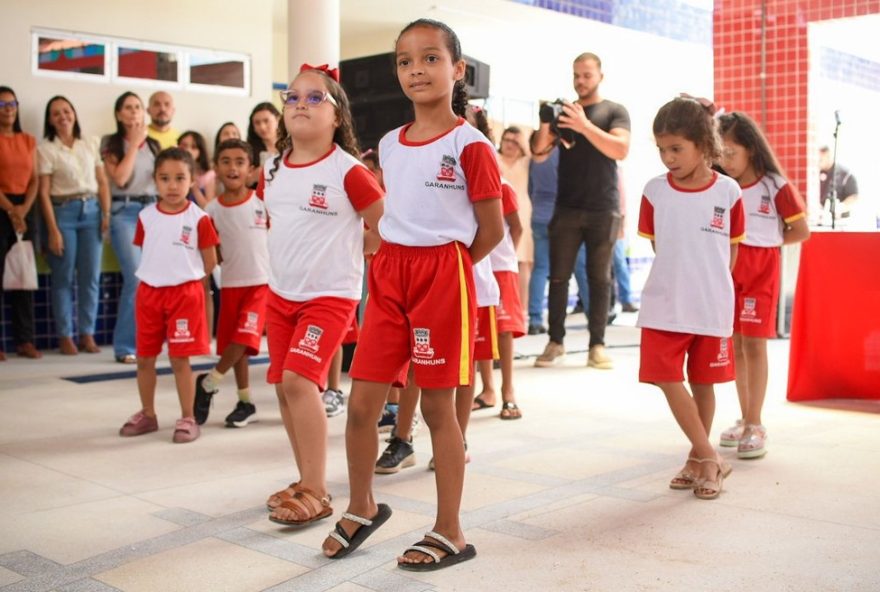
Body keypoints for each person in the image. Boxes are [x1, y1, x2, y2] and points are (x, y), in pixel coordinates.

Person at [320, 18, 503, 571]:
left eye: (429, 58)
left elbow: (492, 230)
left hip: (443, 272)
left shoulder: (471, 145)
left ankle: (449, 529)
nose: (416, 69)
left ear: (457, 69)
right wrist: (394, 261)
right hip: (390, 274)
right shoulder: (389, 145)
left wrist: (447, 273)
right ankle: (361, 506)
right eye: (404, 61)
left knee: (440, 409)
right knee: (361, 405)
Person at [258, 64, 384, 525]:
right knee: (281, 386)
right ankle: (303, 478)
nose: (300, 105)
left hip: (329, 295)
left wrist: (364, 248)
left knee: (298, 380)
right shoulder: (271, 169)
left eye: (315, 98)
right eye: (292, 97)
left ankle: (316, 489)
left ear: (337, 117)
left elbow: (384, 224)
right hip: (280, 293)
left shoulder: (347, 171)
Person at [637, 96, 745, 500]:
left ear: (703, 143)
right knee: (666, 378)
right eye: (662, 149)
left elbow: (730, 252)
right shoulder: (653, 192)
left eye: (676, 148)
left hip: (711, 306)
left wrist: (711, 287)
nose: (667, 157)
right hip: (665, 305)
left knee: (703, 383)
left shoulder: (730, 192)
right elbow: (659, 248)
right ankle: (710, 455)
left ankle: (697, 461)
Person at [716, 112, 810, 459]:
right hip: (729, 270)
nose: (724, 161)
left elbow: (801, 231)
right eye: (719, 154)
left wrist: (766, 241)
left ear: (751, 150)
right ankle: (744, 418)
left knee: (755, 346)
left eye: (730, 153)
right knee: (737, 345)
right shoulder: (722, 186)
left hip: (762, 272)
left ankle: (756, 423)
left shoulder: (775, 186)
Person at [532, 52, 631, 370]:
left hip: (604, 206)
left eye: (587, 75)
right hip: (567, 206)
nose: (580, 81)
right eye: (576, 75)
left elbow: (620, 149)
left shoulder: (614, 110)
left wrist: (584, 125)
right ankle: (555, 341)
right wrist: (547, 122)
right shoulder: (566, 114)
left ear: (600, 75)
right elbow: (538, 154)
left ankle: (597, 345)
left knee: (600, 278)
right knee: (558, 277)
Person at [118, 147, 219, 443]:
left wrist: (189, 280)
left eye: (179, 178)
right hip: (149, 293)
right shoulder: (146, 216)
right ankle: (147, 414)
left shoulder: (199, 218)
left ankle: (187, 417)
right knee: (145, 358)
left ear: (191, 181)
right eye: (165, 178)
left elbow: (210, 260)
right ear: (155, 181)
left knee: (179, 359)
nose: (172, 185)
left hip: (184, 295)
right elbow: (146, 251)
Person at [195, 139, 268, 428]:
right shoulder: (211, 210)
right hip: (231, 284)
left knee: (247, 336)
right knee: (235, 345)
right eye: (225, 161)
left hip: (261, 283)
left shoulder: (262, 204)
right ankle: (245, 401)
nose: (233, 167)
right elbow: (213, 251)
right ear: (216, 168)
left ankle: (210, 382)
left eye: (240, 162)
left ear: (250, 170)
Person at [37, 96, 111, 355]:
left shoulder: (89, 144)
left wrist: (106, 213)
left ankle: (87, 334)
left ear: (74, 114)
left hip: (91, 211)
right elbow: (43, 193)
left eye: (67, 111)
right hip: (63, 213)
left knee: (91, 277)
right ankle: (65, 336)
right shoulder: (46, 149)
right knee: (63, 277)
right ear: (50, 120)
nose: (63, 116)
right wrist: (53, 230)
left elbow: (102, 182)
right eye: (56, 113)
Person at [102, 91, 161, 364]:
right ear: (118, 114)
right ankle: (125, 346)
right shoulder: (110, 143)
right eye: (128, 107)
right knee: (135, 279)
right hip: (123, 212)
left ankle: (148, 343)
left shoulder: (155, 146)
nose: (134, 112)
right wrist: (135, 144)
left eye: (138, 107)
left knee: (153, 280)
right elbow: (121, 179)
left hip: (152, 211)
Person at [526, 134, 589, 335]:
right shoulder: (563, 154)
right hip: (562, 217)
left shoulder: (535, 157)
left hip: (539, 216)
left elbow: (530, 189)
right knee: (580, 266)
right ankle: (593, 313)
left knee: (540, 268)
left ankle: (535, 319)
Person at [0, 85, 41, 360]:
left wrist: (22, 209)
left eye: (12, 103)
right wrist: (11, 210)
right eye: (2, 105)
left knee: (23, 277)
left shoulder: (28, 140)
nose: (9, 109)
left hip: (25, 207)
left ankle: (25, 341)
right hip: (2, 207)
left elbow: (35, 178)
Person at [497, 125, 532, 326]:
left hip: (523, 214)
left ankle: (522, 312)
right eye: (506, 140)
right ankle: (501, 311)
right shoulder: (494, 157)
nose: (510, 145)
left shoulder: (526, 162)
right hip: (499, 216)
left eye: (515, 141)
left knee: (523, 263)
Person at [177, 131, 216, 207]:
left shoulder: (208, 175)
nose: (188, 150)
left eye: (194, 147)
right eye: (184, 146)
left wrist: (194, 187)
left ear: (200, 151)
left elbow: (208, 208)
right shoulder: (171, 170)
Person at [246, 103, 280, 187]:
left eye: (266, 121)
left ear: (278, 119)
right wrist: (253, 177)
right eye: (257, 123)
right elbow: (238, 184)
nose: (262, 127)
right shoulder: (247, 150)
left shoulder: (292, 146)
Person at [818, 145, 858, 215]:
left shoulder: (845, 174)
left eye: (820, 159)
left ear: (828, 156)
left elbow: (854, 196)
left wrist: (841, 208)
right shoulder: (814, 173)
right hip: (819, 216)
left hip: (840, 218)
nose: (817, 162)